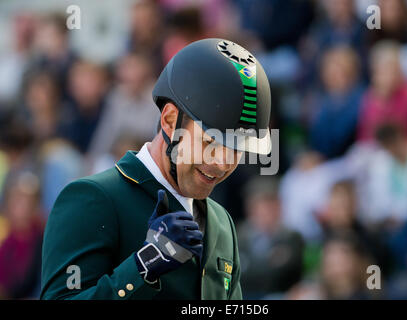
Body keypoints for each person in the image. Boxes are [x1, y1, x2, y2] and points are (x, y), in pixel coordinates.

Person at [40, 38, 272, 300]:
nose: (222, 163)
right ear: (170, 120)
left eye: (236, 148)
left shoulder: (222, 223)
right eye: (211, 142)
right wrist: (143, 265)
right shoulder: (90, 200)